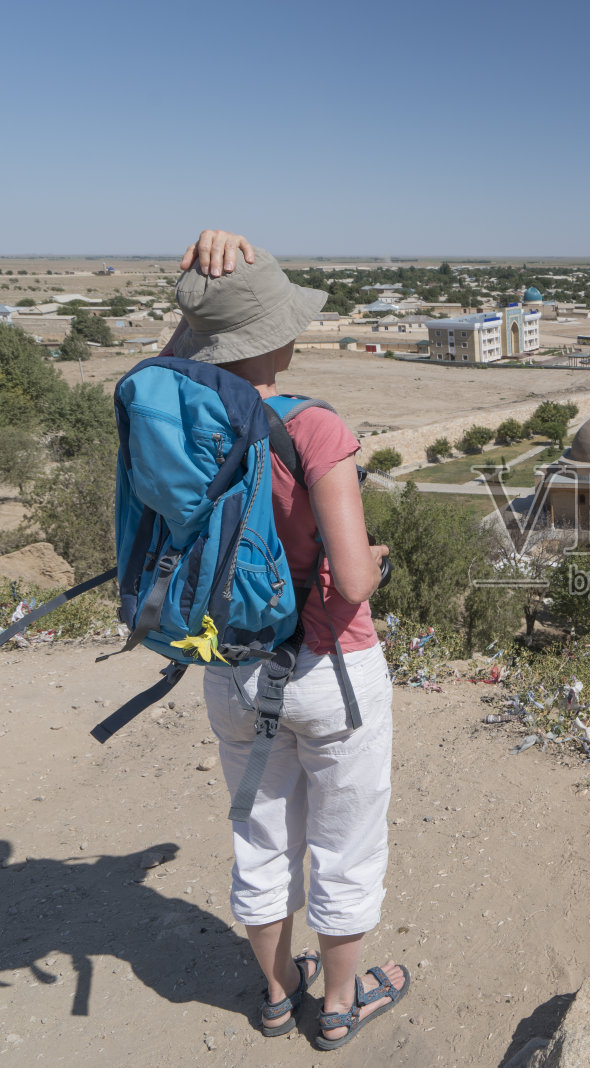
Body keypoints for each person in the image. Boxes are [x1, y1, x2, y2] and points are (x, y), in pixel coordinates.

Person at [174, 230, 409, 1051]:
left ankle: (275, 996)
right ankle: (340, 1005)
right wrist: (376, 559)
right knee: (345, 844)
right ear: (278, 334)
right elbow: (349, 582)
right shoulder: (312, 427)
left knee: (261, 834)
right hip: (331, 671)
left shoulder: (180, 424)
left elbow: (149, 381)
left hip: (231, 664)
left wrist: (195, 297)